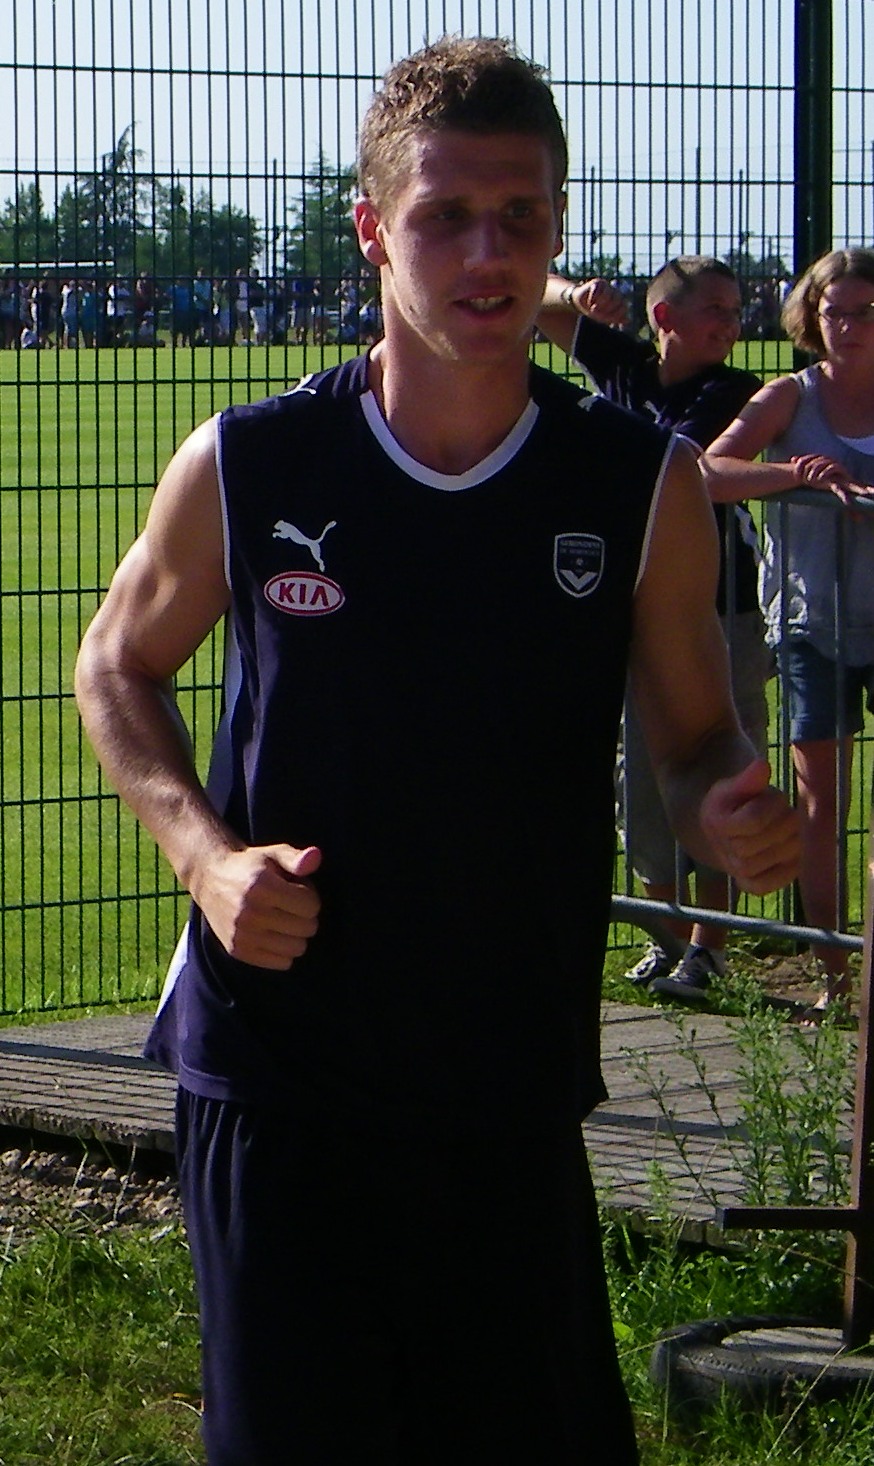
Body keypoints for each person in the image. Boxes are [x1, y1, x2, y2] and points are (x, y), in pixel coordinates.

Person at [75, 36, 799, 1464]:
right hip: (278, 1072)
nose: (487, 252)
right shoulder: (251, 462)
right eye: (445, 214)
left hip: (506, 1080)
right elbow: (114, 663)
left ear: (557, 228)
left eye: (520, 215)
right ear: (371, 230)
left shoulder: (636, 479)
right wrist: (206, 859)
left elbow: (692, 732)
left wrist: (724, 803)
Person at [538, 257, 771, 1002]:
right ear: (665, 318)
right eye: (716, 310)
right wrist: (576, 294)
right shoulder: (626, 366)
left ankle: (709, 948)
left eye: (736, 310)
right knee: (637, 781)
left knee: (719, 767)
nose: (732, 324)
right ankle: (665, 936)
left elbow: (680, 467)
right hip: (628, 603)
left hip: (720, 606)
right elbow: (533, 302)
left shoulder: (730, 390)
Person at [705, 247, 874, 1011]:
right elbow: (710, 471)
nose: (849, 326)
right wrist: (795, 475)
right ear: (812, 316)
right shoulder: (789, 395)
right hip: (813, 622)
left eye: (865, 312)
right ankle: (833, 978)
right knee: (820, 805)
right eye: (835, 312)